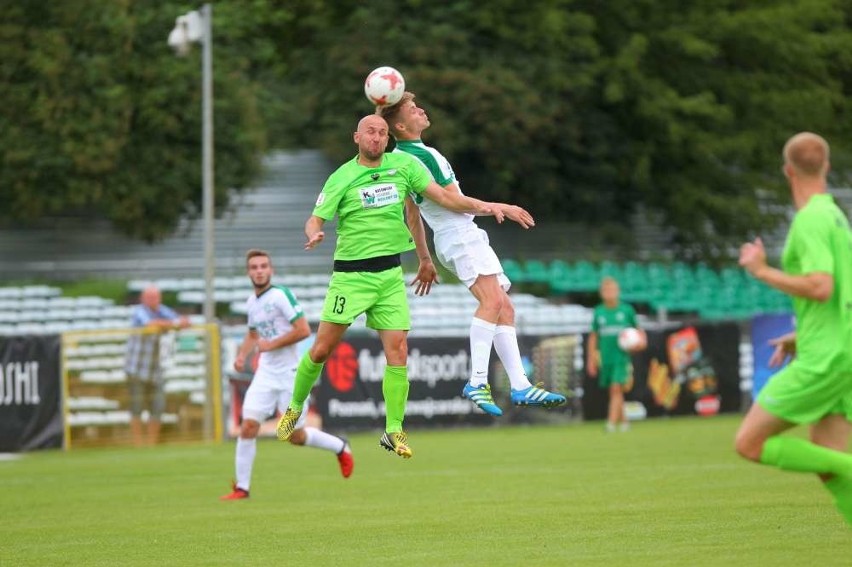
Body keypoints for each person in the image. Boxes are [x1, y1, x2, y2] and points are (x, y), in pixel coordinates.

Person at [275, 114, 534, 458]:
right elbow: (315, 218)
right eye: (370, 132)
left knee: (398, 353)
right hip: (351, 277)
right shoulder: (343, 176)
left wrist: (430, 255)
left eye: (382, 133)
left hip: (389, 277)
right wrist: (314, 233)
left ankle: (393, 431)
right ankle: (294, 408)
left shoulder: (404, 166)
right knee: (322, 349)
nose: (377, 138)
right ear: (356, 137)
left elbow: (441, 200)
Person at [378, 92, 568, 417]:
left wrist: (425, 258)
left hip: (455, 237)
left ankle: (520, 384)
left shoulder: (403, 159)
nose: (421, 110)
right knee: (492, 303)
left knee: (505, 306)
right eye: (412, 109)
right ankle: (477, 381)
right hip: (459, 236)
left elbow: (412, 214)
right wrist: (497, 206)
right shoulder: (421, 157)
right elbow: (450, 201)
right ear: (400, 124)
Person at [735, 132, 852, 525]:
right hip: (838, 350)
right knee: (831, 462)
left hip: (825, 360)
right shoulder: (835, 216)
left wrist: (763, 270)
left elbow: (822, 287)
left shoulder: (812, 220)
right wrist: (802, 336)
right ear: (827, 167)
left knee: (749, 443)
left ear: (788, 171)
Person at [221, 249, 353, 500]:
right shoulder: (252, 303)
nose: (259, 270)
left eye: (263, 266)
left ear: (271, 270)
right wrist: (242, 356)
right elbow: (252, 334)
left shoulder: (281, 296)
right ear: (248, 272)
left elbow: (303, 330)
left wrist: (271, 345)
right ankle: (242, 488)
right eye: (254, 267)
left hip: (292, 375)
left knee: (295, 436)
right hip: (265, 374)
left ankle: (340, 446)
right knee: (248, 426)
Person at [124, 284, 190, 445]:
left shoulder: (162, 310)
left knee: (157, 408)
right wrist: (172, 324)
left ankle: (152, 444)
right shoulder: (139, 312)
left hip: (156, 370)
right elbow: (151, 324)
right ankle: (138, 444)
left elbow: (182, 322)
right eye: (150, 297)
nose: (153, 300)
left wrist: (173, 323)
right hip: (137, 369)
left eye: (156, 297)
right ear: (143, 299)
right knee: (136, 408)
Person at [585, 277, 646, 432]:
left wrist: (641, 343)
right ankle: (625, 422)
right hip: (605, 358)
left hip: (621, 358)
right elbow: (593, 337)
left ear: (618, 291)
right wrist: (591, 359)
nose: (609, 293)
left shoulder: (626, 310)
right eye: (606, 290)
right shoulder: (599, 312)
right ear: (601, 293)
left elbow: (640, 332)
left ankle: (611, 424)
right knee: (614, 391)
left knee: (615, 389)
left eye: (612, 290)